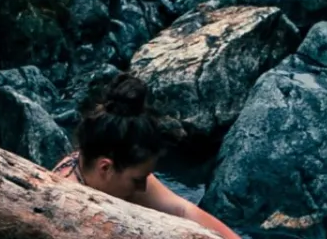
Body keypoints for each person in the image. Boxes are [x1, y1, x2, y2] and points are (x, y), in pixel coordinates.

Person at [56, 73, 240, 237]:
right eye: (138, 180)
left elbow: (182, 211)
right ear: (105, 167)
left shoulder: (105, 167)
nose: (144, 188)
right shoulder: (65, 208)